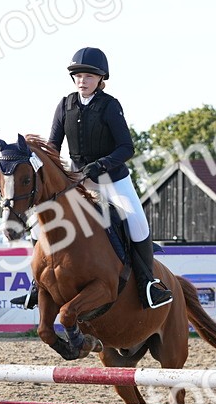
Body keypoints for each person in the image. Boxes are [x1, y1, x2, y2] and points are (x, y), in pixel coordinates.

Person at [12, 47, 172, 311]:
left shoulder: (110, 105)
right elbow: (53, 147)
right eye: (78, 76)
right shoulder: (65, 105)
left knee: (137, 223)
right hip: (77, 181)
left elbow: (126, 147)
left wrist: (100, 164)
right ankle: (36, 287)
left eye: (88, 76)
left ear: (100, 79)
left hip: (113, 180)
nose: (82, 81)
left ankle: (148, 284)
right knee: (39, 226)